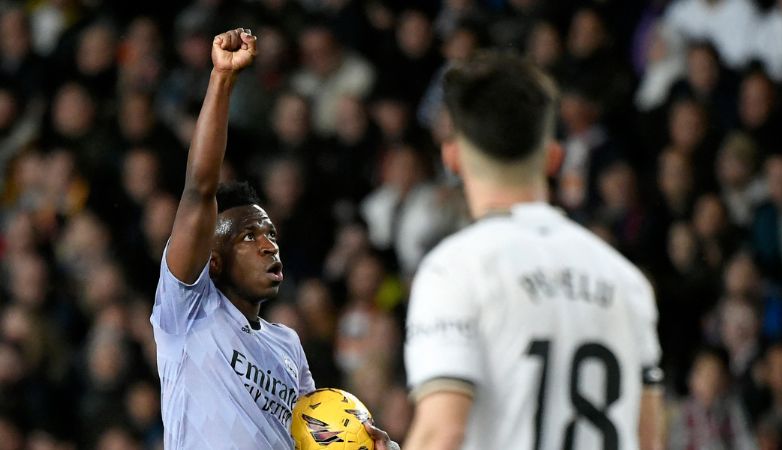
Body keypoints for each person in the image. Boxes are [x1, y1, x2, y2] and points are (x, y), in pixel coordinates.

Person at [403, 52, 664, 450]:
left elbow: (443, 432)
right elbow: (648, 440)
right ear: (554, 157)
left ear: (451, 156)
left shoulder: (454, 270)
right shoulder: (626, 280)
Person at [150, 28, 396, 450]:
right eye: (248, 236)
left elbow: (314, 440)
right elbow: (200, 187)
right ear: (213, 259)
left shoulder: (288, 344)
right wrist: (222, 79)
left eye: (270, 233)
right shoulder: (187, 311)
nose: (269, 244)